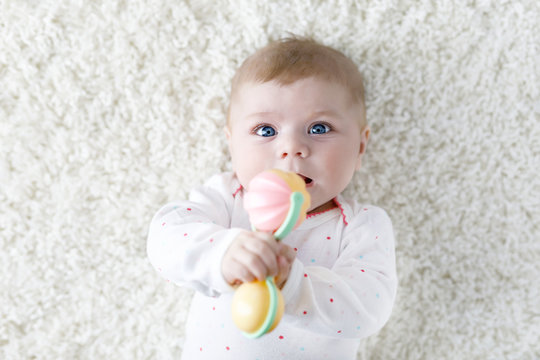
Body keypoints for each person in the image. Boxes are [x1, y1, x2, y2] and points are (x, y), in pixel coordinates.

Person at [147, 36, 397, 360]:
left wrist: (293, 285)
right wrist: (222, 254)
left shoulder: (360, 225)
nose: (291, 147)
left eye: (319, 128)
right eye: (266, 130)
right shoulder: (228, 198)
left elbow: (369, 306)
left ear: (360, 147)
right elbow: (165, 237)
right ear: (231, 143)